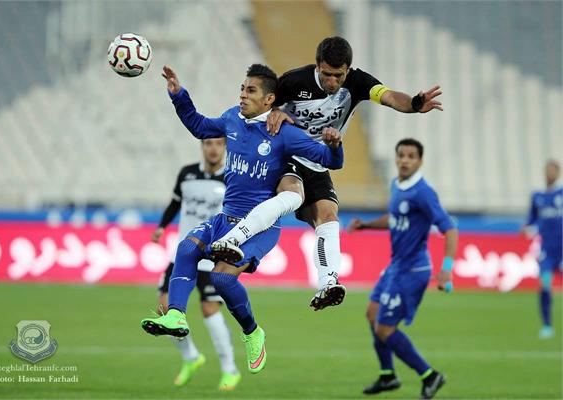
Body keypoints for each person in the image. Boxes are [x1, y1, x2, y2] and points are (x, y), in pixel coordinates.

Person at [210, 36, 443, 312]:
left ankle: (328, 283)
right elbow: (261, 106)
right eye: (326, 74)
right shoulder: (294, 82)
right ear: (317, 66)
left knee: (329, 216)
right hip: (286, 155)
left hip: (319, 162)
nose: (333, 82)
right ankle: (232, 240)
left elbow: (391, 97)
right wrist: (277, 113)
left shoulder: (359, 83)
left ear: (348, 70)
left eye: (338, 75)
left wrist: (415, 104)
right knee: (292, 194)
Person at [141, 63, 344, 374]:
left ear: (268, 99)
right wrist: (178, 96)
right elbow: (199, 126)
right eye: (241, 89)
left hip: (259, 227)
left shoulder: (284, 134)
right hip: (225, 217)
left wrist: (335, 145)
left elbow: (330, 161)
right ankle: (176, 316)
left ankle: (252, 333)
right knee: (185, 248)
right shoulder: (231, 119)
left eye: (250, 91)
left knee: (222, 278)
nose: (242, 95)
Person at [346, 138, 457, 399]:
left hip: (413, 270)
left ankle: (430, 376)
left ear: (420, 161)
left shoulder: (423, 192)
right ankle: (388, 376)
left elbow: (449, 228)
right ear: (396, 158)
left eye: (411, 156)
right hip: (396, 266)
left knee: (385, 329)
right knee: (372, 315)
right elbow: (395, 218)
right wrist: (366, 226)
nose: (405, 160)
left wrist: (447, 268)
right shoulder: (396, 185)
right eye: (401, 155)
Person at [151, 137, 241, 391]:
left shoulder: (233, 178)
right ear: (202, 147)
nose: (213, 148)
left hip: (213, 255)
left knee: (209, 310)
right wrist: (161, 227)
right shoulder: (187, 174)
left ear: (225, 148)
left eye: (218, 144)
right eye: (208, 143)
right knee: (164, 307)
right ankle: (191, 356)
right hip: (184, 253)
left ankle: (230, 370)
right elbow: (175, 204)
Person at [522, 160, 562, 339]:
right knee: (544, 284)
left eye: (553, 170)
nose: (549, 173)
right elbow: (532, 219)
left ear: (558, 173)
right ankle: (547, 326)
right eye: (547, 170)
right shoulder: (537, 196)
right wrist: (526, 228)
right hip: (547, 249)